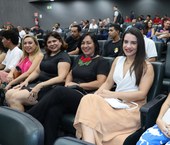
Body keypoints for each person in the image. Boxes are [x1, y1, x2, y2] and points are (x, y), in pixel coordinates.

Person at [73, 28, 154, 145]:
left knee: (89, 114)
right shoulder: (118, 60)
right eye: (126, 42)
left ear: (139, 45)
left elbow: (142, 94)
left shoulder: (147, 66)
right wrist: (97, 94)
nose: (128, 46)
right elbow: (107, 83)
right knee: (88, 99)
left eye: (133, 43)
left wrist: (112, 94)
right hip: (115, 103)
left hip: (132, 109)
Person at [27, 33, 110, 145]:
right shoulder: (80, 58)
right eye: (83, 43)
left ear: (95, 44)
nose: (85, 46)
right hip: (71, 93)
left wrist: (77, 85)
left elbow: (100, 83)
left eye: (89, 43)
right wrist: (67, 83)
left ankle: (29, 118)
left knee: (58, 90)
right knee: (53, 111)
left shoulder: (102, 61)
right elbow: (70, 74)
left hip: (86, 96)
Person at [5, 31, 71, 112]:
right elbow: (37, 72)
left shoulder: (63, 57)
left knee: (15, 98)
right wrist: (26, 81)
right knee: (8, 94)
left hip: (50, 88)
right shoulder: (47, 55)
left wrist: (40, 85)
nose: (52, 44)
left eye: (54, 41)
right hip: (38, 84)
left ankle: (23, 123)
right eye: (49, 42)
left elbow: (61, 78)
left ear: (60, 42)